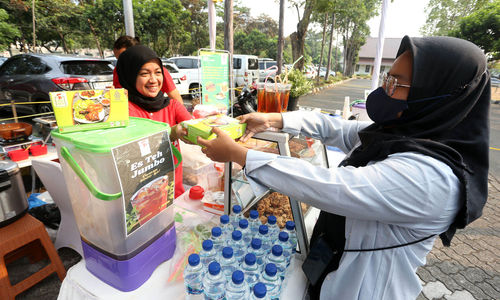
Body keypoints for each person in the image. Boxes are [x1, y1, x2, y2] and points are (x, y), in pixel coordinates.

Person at [197, 36, 490, 299]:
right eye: (388, 78)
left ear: (439, 95)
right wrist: (275, 120)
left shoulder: (434, 178)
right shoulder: (403, 132)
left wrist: (242, 155)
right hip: (336, 263)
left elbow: (331, 186)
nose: (385, 89)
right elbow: (339, 129)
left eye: (396, 84)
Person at [116, 45, 192, 198]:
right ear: (130, 76)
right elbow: (131, 149)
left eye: (158, 73)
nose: (153, 80)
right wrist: (171, 133)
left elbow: (193, 128)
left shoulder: (172, 105)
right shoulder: (122, 110)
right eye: (144, 74)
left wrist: (218, 124)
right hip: (141, 199)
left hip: (174, 192)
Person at [112, 35, 184, 105]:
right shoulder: (118, 71)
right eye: (118, 60)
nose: (153, 80)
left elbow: (177, 100)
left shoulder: (160, 72)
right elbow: (118, 95)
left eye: (124, 58)